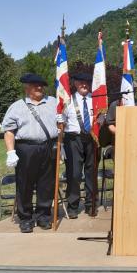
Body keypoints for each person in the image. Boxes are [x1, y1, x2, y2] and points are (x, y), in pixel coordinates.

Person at [2, 73, 58, 233]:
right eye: (35, 85)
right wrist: (11, 152)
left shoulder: (54, 103)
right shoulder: (16, 107)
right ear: (26, 87)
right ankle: (25, 218)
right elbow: (9, 131)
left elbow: (62, 124)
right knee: (25, 184)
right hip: (26, 148)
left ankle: (43, 216)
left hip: (49, 146)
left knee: (46, 184)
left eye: (41, 85)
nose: (39, 88)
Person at [58, 72, 96, 218]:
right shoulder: (67, 100)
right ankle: (73, 205)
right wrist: (60, 144)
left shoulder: (97, 99)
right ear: (75, 84)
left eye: (87, 82)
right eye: (80, 82)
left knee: (91, 173)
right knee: (74, 174)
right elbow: (61, 122)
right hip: (73, 139)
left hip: (92, 139)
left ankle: (90, 205)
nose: (84, 84)